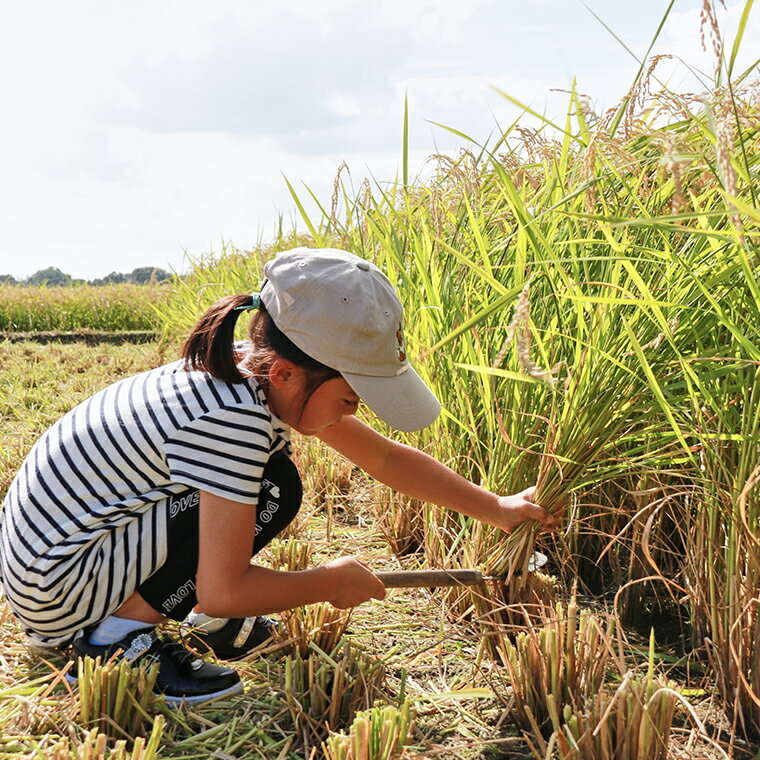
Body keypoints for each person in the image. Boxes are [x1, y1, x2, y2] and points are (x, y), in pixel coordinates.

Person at [0, 247, 558, 705]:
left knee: (269, 484)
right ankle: (113, 641)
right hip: (60, 585)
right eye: (349, 398)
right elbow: (223, 590)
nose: (353, 413)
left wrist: (498, 508)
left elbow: (384, 460)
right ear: (290, 372)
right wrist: (327, 583)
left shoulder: (254, 371)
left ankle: (158, 612)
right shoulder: (233, 420)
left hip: (59, 561)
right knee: (275, 488)